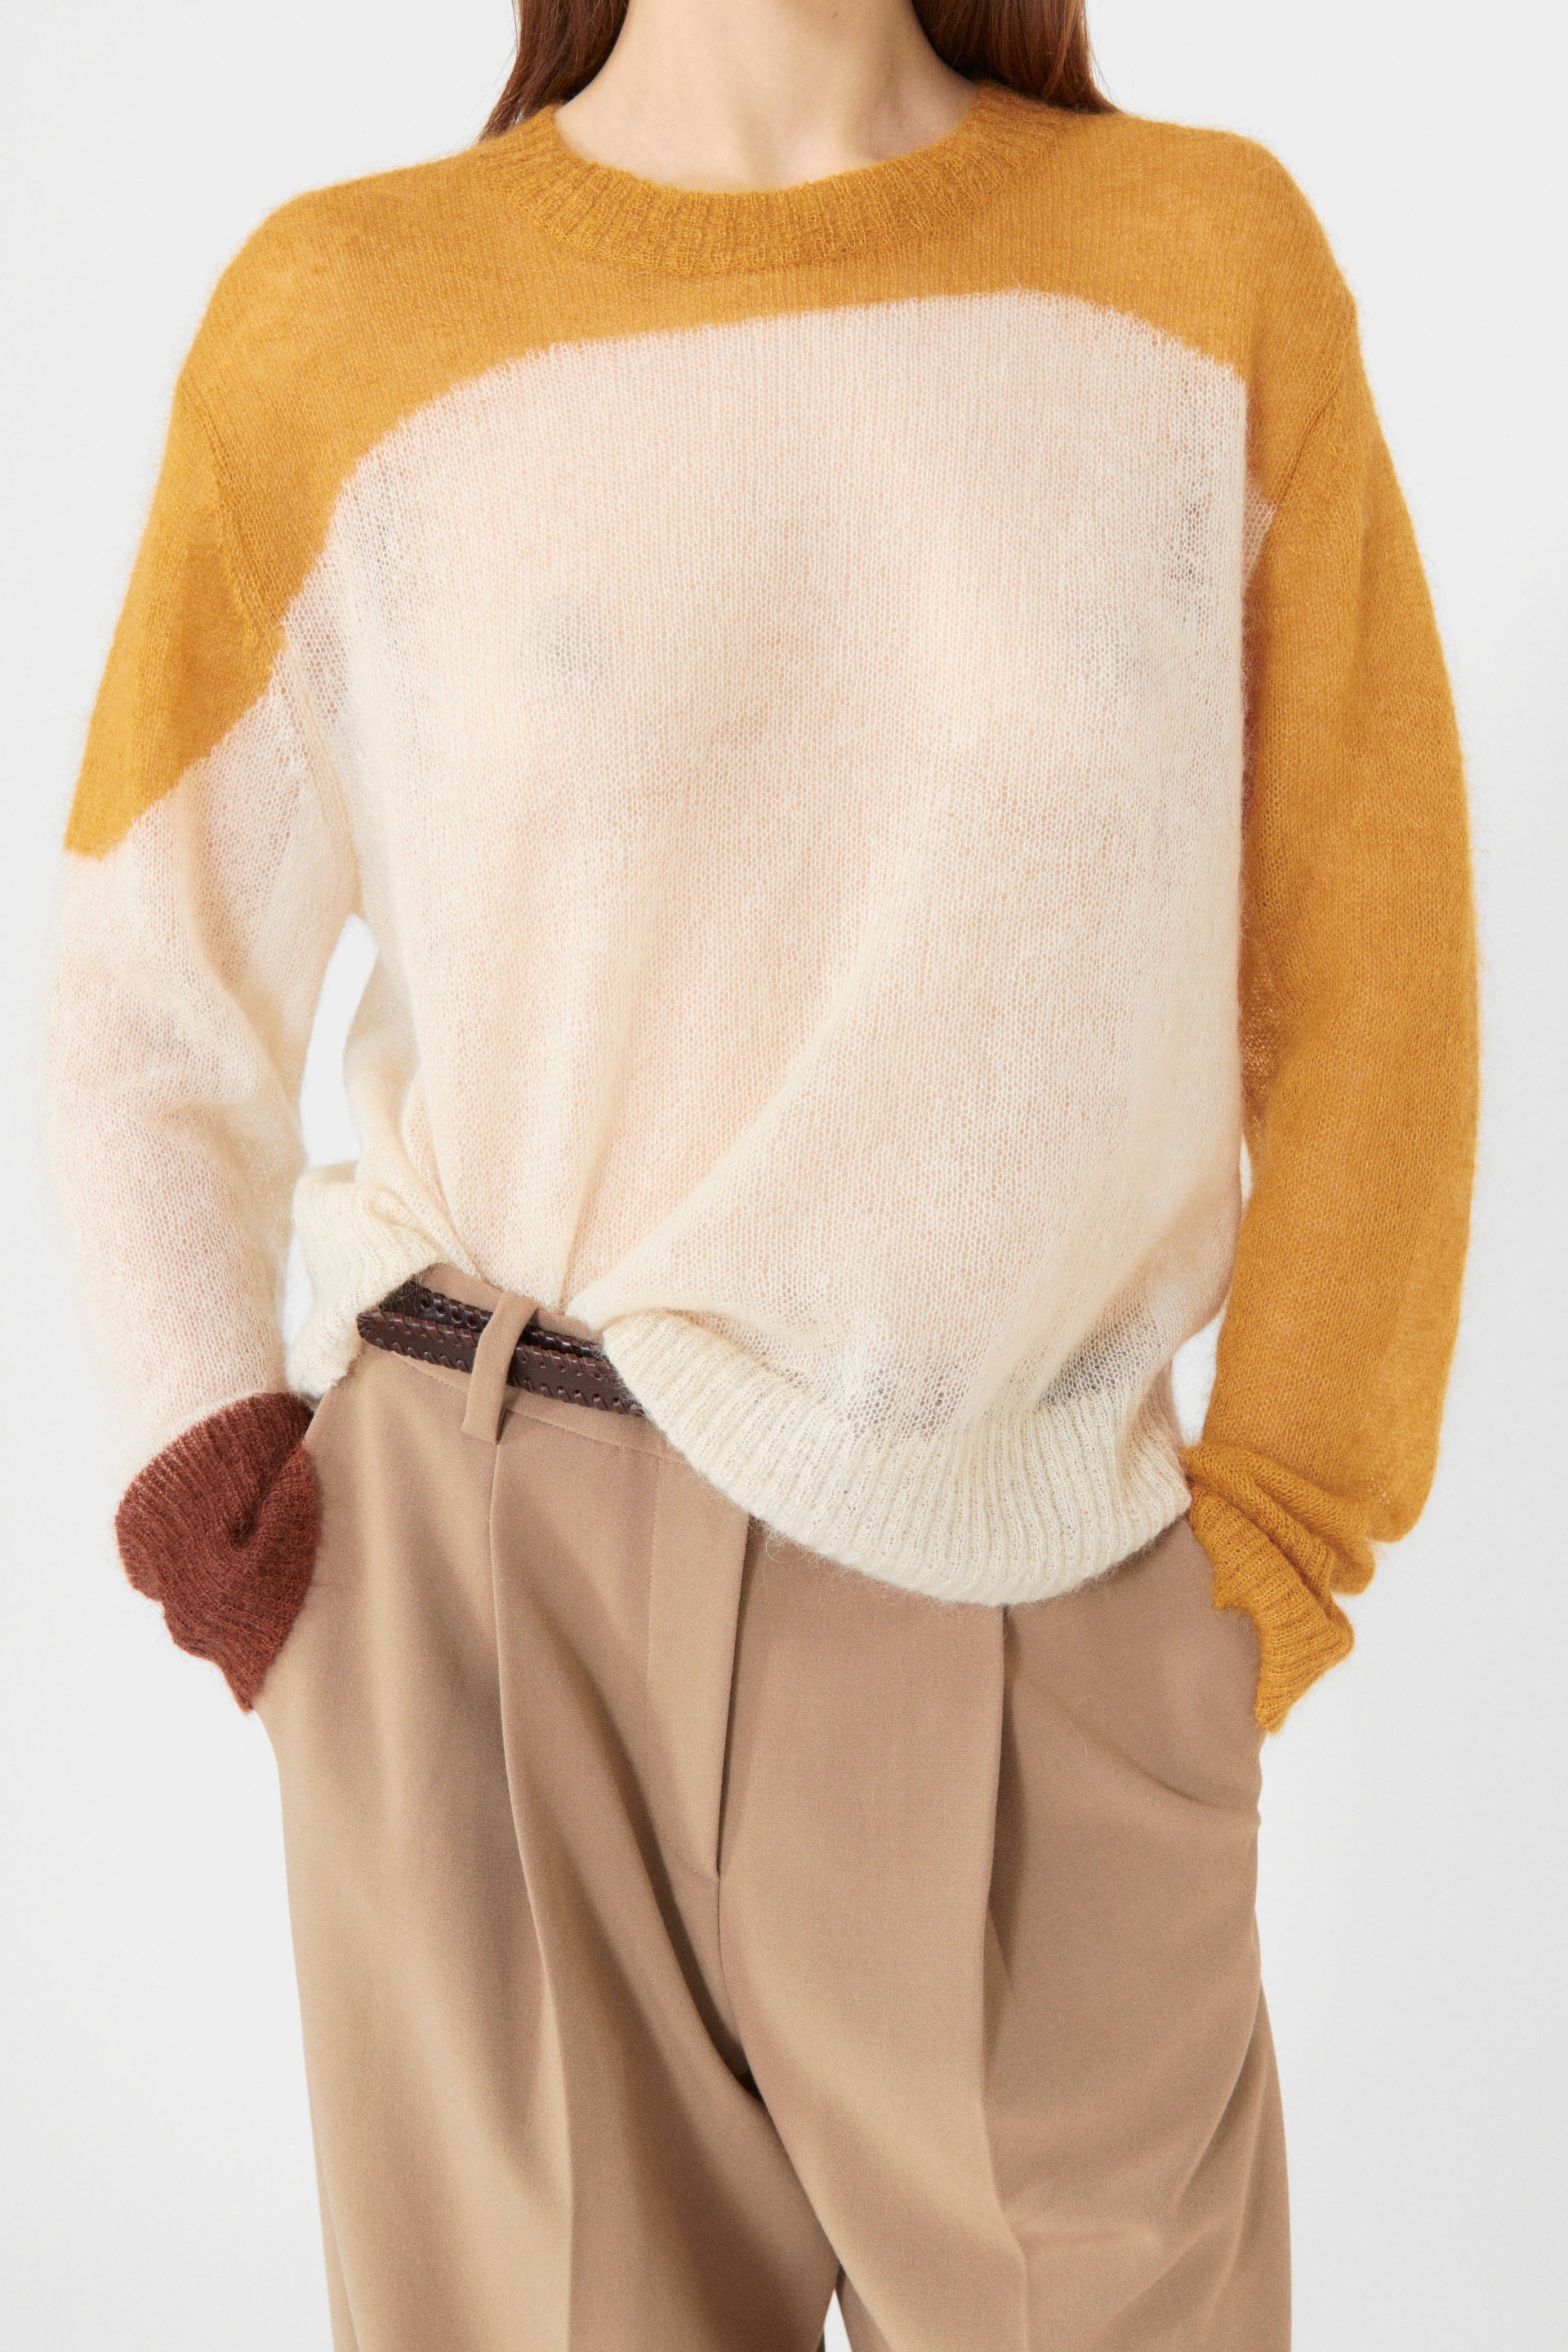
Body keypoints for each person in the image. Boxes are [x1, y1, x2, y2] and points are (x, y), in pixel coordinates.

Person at [39, 0, 1479, 2344]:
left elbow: (1372, 972)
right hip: (485, 1583)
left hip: (1041, 1594)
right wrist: (231, 1525)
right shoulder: (344, 313)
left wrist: (1273, 1555)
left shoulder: (1205, 264)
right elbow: (142, 975)